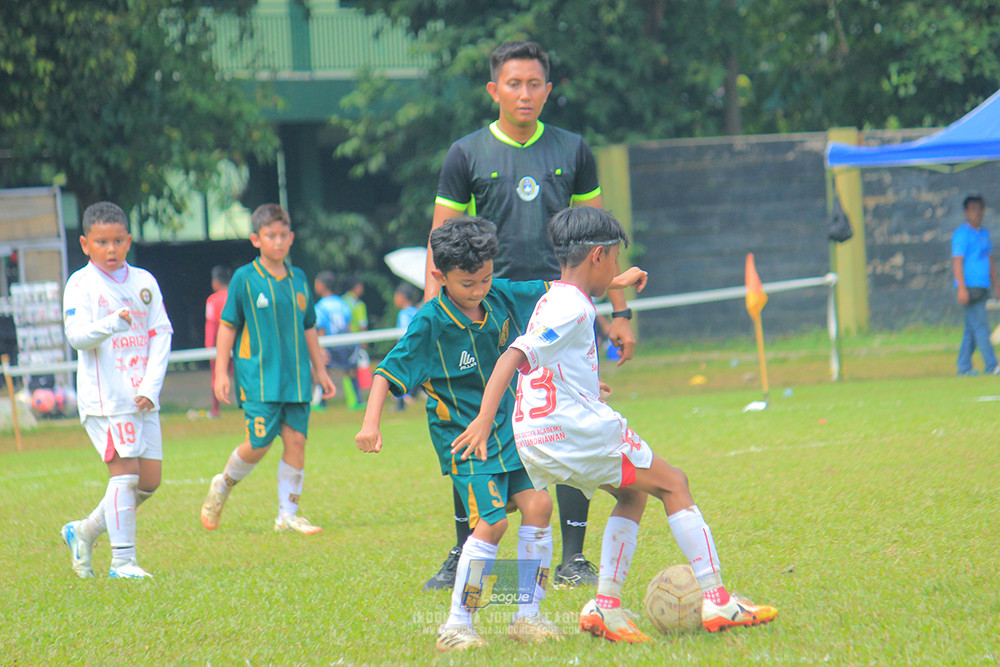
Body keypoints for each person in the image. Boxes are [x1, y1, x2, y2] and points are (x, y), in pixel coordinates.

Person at [452, 207, 779, 641]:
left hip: (535, 434)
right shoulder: (572, 308)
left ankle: (599, 608)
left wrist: (588, 376)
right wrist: (482, 420)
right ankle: (718, 600)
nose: (616, 268)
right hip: (575, 432)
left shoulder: (555, 298)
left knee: (628, 493)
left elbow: (551, 359)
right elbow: (515, 355)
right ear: (598, 255)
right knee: (673, 484)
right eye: (615, 259)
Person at [422, 40, 638, 590]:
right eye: (514, 83)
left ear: (548, 89)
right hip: (486, 306)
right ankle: (463, 548)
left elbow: (600, 239)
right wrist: (435, 319)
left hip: (561, 306)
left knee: (572, 418)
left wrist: (620, 312)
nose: (524, 93)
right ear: (494, 90)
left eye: (534, 83)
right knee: (478, 419)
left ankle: (574, 558)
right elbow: (440, 240)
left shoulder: (573, 148)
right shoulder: (466, 154)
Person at [356, 217, 562, 651]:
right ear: (440, 276)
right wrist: (370, 424)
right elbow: (386, 373)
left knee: (540, 506)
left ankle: (526, 616)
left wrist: (610, 281)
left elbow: (558, 291)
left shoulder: (499, 296)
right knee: (493, 522)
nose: (479, 289)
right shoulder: (430, 322)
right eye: (468, 283)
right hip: (464, 440)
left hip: (509, 430)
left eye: (486, 278)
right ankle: (456, 625)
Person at [199, 204, 336, 535]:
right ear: (256, 239)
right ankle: (224, 483)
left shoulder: (299, 278)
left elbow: (309, 327)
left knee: (297, 440)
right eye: (270, 236)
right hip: (258, 377)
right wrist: (221, 373)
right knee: (259, 442)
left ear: (291, 238)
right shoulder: (245, 279)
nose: (278, 241)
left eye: (282, 235)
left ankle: (287, 516)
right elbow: (227, 326)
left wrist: (320, 370)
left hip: (297, 377)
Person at [59, 201, 173, 579]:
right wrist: (110, 323)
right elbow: (76, 337)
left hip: (142, 398)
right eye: (101, 242)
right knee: (124, 475)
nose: (111, 249)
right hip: (105, 401)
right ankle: (123, 563)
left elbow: (161, 332)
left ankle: (84, 531)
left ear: (129, 240)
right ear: (85, 244)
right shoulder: (81, 284)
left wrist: (151, 386)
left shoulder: (144, 282)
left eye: (118, 241)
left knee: (149, 482)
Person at [952, 194, 1000, 375]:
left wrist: (996, 285)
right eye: (973, 210)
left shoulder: (984, 234)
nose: (977, 213)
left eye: (980, 209)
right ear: (966, 212)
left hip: (983, 286)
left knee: (971, 330)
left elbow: (990, 261)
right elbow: (957, 262)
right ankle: (991, 365)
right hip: (969, 287)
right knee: (981, 328)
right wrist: (961, 288)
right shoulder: (961, 234)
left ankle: (964, 367)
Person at [312, 270, 355, 409]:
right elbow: (348, 326)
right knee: (349, 371)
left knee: (321, 369)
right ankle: (355, 400)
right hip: (345, 344)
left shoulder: (320, 306)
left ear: (321, 285)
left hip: (330, 345)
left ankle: (322, 401)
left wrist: (321, 349)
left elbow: (321, 330)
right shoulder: (342, 303)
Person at [205, 265, 232, 418]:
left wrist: (209, 346)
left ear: (215, 282)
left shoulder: (212, 300)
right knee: (242, 375)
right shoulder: (234, 297)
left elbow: (211, 324)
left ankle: (215, 410)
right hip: (238, 344)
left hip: (220, 346)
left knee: (216, 377)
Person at [340, 275, 369, 409]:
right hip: (355, 341)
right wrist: (364, 342)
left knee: (346, 370)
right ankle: (356, 400)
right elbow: (362, 324)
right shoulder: (358, 304)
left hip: (341, 340)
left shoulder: (341, 301)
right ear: (356, 287)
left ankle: (351, 399)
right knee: (354, 370)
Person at [392, 281, 422, 410]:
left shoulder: (404, 313)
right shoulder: (416, 311)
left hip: (408, 348)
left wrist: (398, 348)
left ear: (402, 297)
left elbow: (403, 333)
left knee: (399, 372)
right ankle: (407, 397)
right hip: (418, 348)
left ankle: (403, 400)